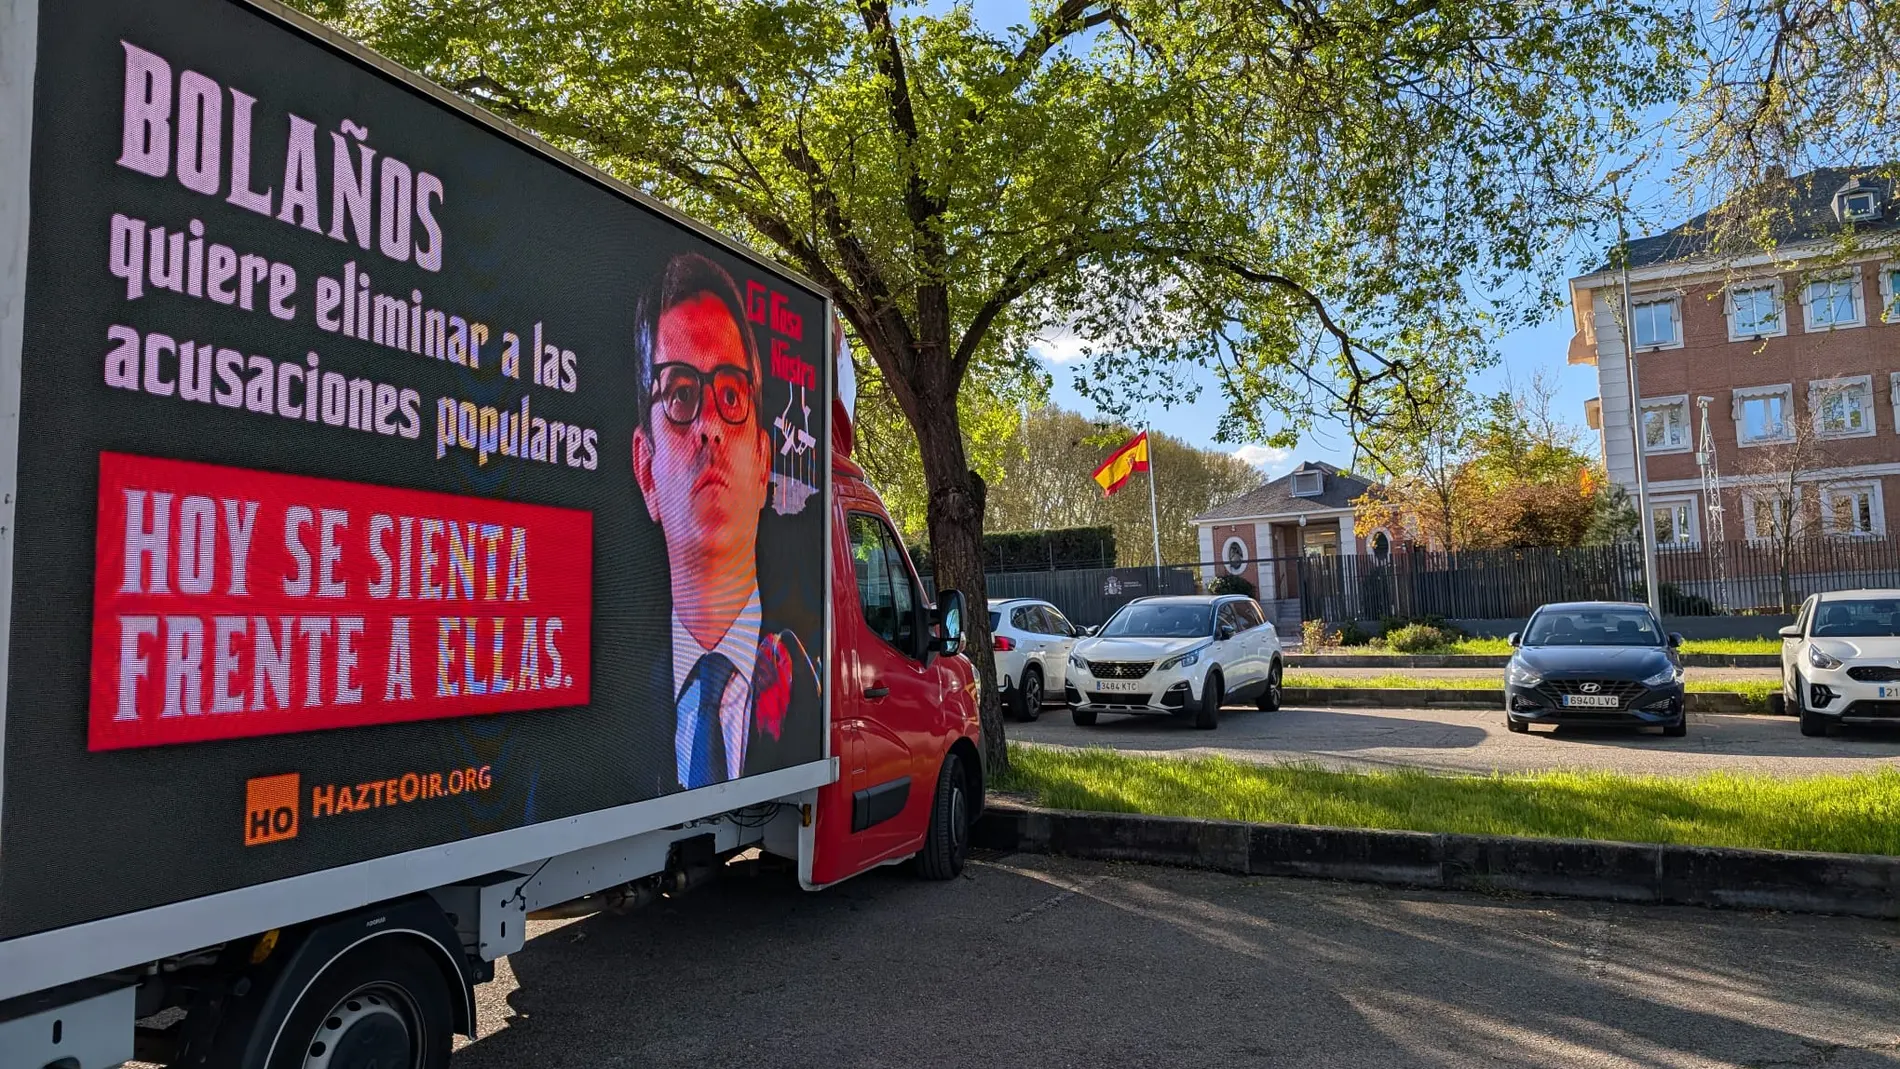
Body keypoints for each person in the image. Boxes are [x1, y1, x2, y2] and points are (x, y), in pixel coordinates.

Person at [632, 252, 820, 792]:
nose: (709, 427)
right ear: (646, 470)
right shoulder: (596, 727)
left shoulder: (811, 694)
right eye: (681, 394)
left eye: (732, 395)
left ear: (764, 463)